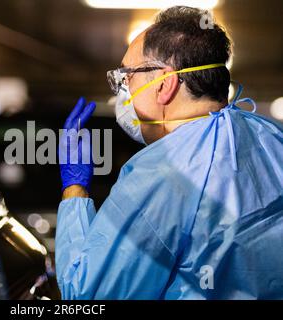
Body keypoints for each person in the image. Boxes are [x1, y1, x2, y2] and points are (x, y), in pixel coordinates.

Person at [56, 6, 283, 299]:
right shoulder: (271, 137)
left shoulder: (161, 175)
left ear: (164, 83)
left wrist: (74, 190)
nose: (122, 91)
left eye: (126, 77)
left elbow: (87, 296)